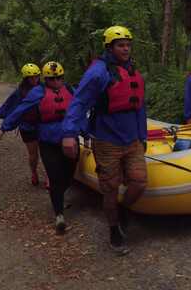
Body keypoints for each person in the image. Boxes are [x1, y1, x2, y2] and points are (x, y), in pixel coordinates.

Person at [61, 25, 147, 255]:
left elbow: (140, 107)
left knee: (139, 182)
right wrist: (69, 133)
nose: (126, 49)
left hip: (132, 139)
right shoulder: (97, 73)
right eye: (121, 45)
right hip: (107, 140)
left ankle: (123, 211)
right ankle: (113, 231)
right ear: (109, 47)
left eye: (128, 45)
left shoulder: (133, 71)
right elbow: (78, 103)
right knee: (109, 189)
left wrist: (143, 136)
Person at [0, 61, 79, 235]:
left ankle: (59, 197)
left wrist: (87, 131)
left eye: (59, 78)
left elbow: (80, 109)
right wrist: (4, 127)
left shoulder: (70, 90)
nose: (57, 82)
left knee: (69, 174)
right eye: (52, 79)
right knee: (54, 176)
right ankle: (59, 216)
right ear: (46, 79)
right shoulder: (37, 93)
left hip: (69, 138)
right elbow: (19, 110)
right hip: (48, 140)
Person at [0, 63, 49, 188]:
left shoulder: (44, 88)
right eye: (31, 77)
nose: (34, 79)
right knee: (33, 154)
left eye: (36, 76)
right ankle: (34, 172)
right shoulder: (20, 92)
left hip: (43, 125)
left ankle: (49, 176)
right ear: (25, 78)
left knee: (47, 152)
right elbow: (7, 106)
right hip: (27, 126)